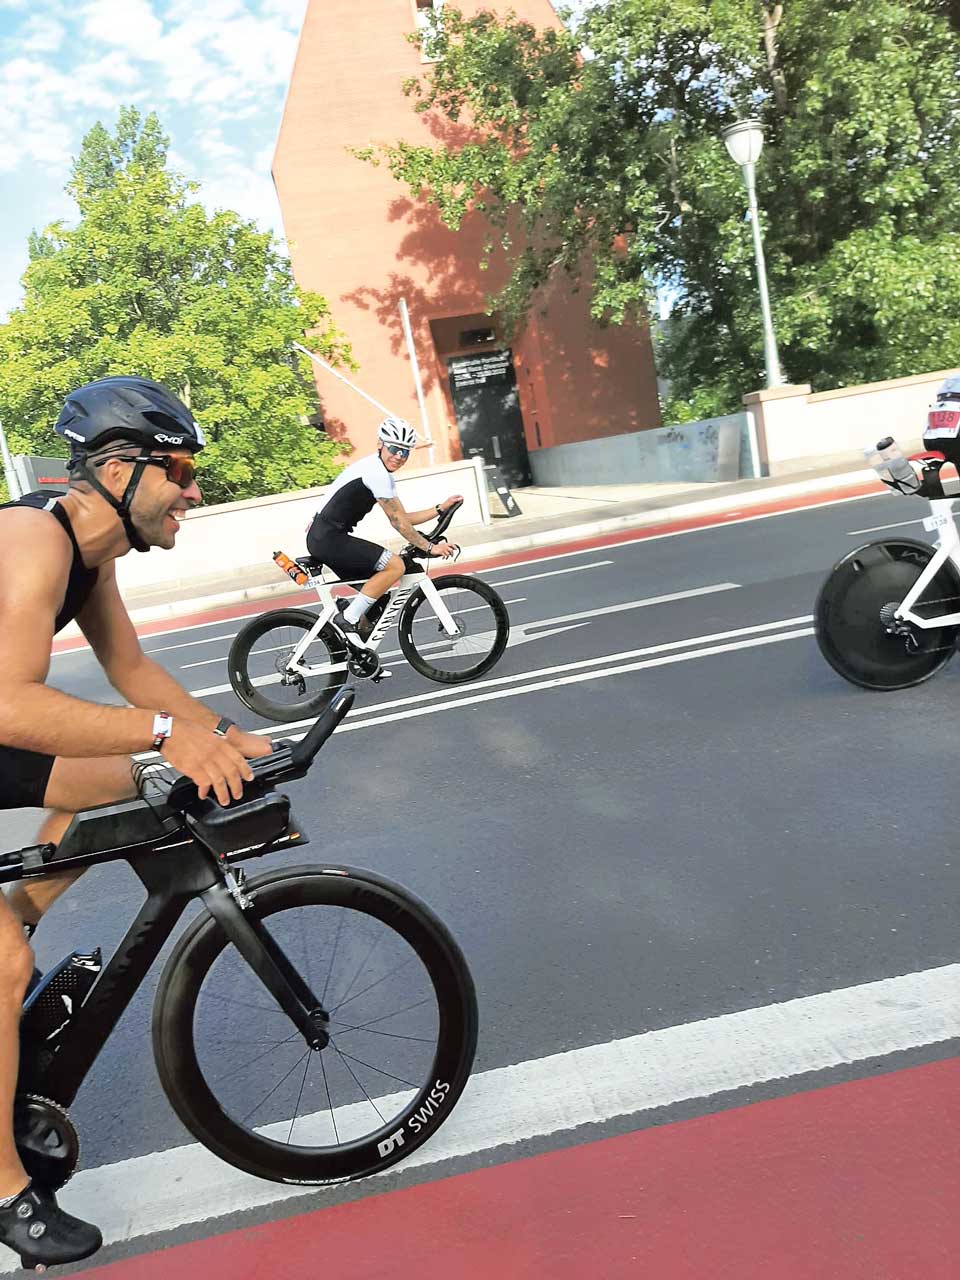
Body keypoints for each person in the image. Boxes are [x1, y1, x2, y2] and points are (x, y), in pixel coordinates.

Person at [0, 376, 271, 1269]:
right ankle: (7, 1193)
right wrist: (169, 737)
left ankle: (20, 915)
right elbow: (9, 705)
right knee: (0, 966)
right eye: (181, 471)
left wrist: (224, 736)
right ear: (120, 469)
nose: (194, 493)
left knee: (127, 783)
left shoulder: (90, 551)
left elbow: (132, 669)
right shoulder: (32, 539)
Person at [306, 416, 461, 651]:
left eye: (405, 452)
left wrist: (440, 508)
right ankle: (346, 619)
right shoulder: (376, 473)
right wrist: (429, 547)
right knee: (395, 566)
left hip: (325, 538)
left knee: (376, 600)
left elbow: (404, 517)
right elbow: (398, 522)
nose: (399, 456)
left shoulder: (378, 471)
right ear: (381, 444)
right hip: (329, 539)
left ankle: (358, 652)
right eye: (394, 448)